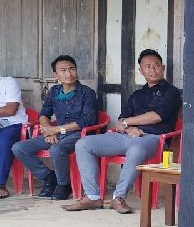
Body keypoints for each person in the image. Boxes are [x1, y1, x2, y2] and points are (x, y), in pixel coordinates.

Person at [67, 49, 181, 214]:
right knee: (83, 143)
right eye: (147, 66)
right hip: (127, 136)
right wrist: (129, 127)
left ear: (162, 68)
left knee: (136, 149)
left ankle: (118, 197)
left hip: (154, 139)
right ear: (141, 71)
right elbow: (121, 121)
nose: (152, 69)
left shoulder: (171, 92)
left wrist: (128, 122)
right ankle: (92, 197)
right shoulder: (137, 94)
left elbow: (156, 116)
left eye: (156, 66)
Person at [11, 55, 98, 200]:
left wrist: (56, 130)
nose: (69, 74)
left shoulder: (87, 93)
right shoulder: (55, 91)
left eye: (72, 69)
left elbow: (87, 120)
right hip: (57, 133)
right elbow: (44, 114)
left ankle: (64, 185)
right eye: (63, 70)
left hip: (79, 135)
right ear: (55, 74)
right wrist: (47, 131)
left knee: (56, 148)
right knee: (19, 148)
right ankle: (48, 177)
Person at [0, 76, 27, 199]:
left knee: (4, 141)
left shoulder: (8, 82)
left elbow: (11, 110)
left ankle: (0, 185)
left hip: (12, 124)